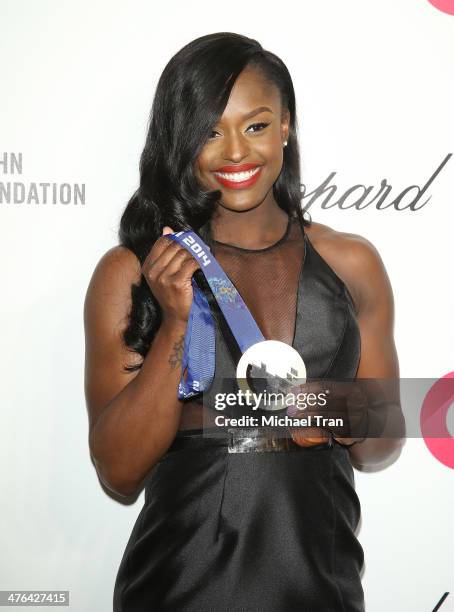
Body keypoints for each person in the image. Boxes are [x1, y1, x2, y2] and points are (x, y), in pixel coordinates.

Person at [84, 32, 404, 612]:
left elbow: (381, 446)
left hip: (320, 590)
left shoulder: (351, 262)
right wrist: (176, 326)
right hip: (177, 589)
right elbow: (118, 472)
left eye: (255, 125)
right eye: (210, 130)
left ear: (286, 125)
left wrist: (332, 409)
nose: (234, 152)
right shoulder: (131, 272)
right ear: (182, 141)